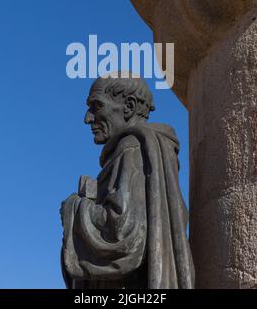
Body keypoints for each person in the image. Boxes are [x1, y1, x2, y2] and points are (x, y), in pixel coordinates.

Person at [60, 74, 194, 289]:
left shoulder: (132, 149)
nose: (88, 118)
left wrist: (74, 208)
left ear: (129, 107)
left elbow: (122, 232)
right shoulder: (144, 151)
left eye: (96, 106)